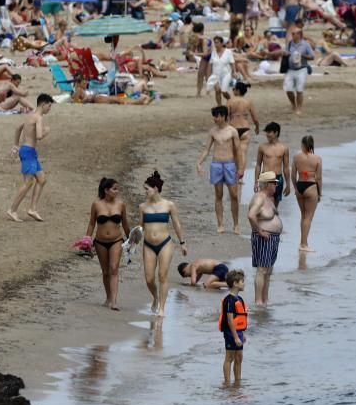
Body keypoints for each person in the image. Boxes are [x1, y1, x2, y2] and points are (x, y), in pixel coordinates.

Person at [139, 170, 188, 317]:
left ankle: (162, 308)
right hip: (148, 244)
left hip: (165, 243)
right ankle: (155, 297)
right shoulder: (143, 207)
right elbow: (140, 227)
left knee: (162, 275)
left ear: (155, 188)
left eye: (147, 189)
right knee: (149, 279)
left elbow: (177, 225)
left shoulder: (169, 205)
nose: (145, 192)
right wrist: (133, 241)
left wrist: (182, 243)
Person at [196, 105, 243, 234]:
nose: (215, 119)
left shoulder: (232, 131)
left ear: (223, 116)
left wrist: (241, 169)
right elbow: (207, 149)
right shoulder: (212, 131)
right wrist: (199, 162)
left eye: (216, 116)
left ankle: (236, 225)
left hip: (229, 164)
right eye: (214, 116)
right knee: (218, 195)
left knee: (234, 195)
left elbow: (238, 151)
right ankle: (221, 224)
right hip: (216, 164)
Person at [85, 177, 130, 311]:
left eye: (118, 189)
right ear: (106, 190)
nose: (117, 191)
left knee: (114, 269)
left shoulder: (121, 205)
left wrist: (131, 239)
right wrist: (87, 239)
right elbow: (92, 223)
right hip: (100, 242)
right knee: (105, 272)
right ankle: (108, 297)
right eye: (114, 189)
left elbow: (125, 223)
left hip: (116, 240)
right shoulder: (96, 204)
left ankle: (114, 302)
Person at [8, 94, 54, 222]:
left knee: (42, 179)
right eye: (49, 106)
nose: (49, 109)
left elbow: (18, 128)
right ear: (43, 104)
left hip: (29, 151)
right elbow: (39, 136)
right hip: (28, 152)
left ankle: (32, 209)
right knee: (28, 182)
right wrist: (46, 131)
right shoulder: (38, 117)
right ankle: (12, 210)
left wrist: (16, 145)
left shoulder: (30, 115)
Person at [247, 171, 282, 306]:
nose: (276, 186)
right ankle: (258, 301)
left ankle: (265, 300)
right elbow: (251, 215)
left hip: (272, 237)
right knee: (262, 270)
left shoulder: (269, 198)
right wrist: (260, 231)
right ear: (268, 184)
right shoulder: (259, 198)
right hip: (264, 237)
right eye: (274, 183)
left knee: (268, 270)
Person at [291, 135, 322, 252]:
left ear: (302, 144)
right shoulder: (317, 158)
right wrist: (319, 193)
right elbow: (318, 178)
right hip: (311, 186)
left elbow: (293, 175)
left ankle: (303, 242)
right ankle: (303, 244)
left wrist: (295, 188)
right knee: (308, 217)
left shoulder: (296, 157)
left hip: (300, 186)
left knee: (303, 216)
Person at [227, 81, 259, 188]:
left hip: (233, 128)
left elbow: (226, 116)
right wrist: (257, 127)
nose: (232, 91)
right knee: (243, 153)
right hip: (245, 129)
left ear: (237, 90)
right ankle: (240, 178)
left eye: (234, 89)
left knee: (234, 154)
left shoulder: (230, 101)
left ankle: (234, 175)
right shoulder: (248, 102)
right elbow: (255, 118)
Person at [219, 269, 247, 388]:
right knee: (229, 357)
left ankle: (237, 382)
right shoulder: (229, 300)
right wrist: (235, 337)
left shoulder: (239, 299)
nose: (244, 283)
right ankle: (227, 382)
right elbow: (230, 320)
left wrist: (242, 334)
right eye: (242, 281)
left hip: (239, 332)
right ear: (235, 283)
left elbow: (240, 318)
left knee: (239, 358)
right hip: (231, 333)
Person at [254, 122, 292, 205]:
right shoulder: (262, 147)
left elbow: (286, 168)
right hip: (265, 176)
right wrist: (256, 182)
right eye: (266, 132)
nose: (267, 135)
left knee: (274, 207)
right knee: (264, 205)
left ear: (276, 133)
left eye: (269, 132)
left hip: (278, 177)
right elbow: (258, 165)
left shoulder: (284, 148)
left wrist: (288, 185)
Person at [283, 26, 314, 115]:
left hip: (302, 68)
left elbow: (312, 56)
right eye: (292, 34)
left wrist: (302, 55)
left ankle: (299, 108)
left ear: (299, 35)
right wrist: (286, 53)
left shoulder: (305, 44)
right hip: (290, 68)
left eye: (294, 34)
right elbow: (286, 52)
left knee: (299, 89)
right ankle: (293, 104)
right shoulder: (289, 43)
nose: (292, 35)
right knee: (288, 89)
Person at [207, 35, 235, 106]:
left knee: (224, 91)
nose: (216, 44)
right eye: (215, 43)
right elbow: (210, 64)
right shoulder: (213, 52)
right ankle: (219, 106)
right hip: (215, 75)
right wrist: (208, 76)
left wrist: (234, 72)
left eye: (217, 42)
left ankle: (231, 101)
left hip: (226, 74)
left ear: (222, 43)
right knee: (217, 90)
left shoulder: (228, 52)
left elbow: (232, 63)